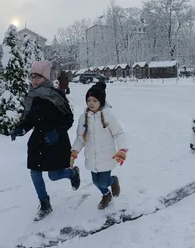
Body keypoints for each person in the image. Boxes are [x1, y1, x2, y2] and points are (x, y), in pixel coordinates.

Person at [10, 60, 80, 221]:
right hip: (38, 141)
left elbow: (68, 118)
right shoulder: (31, 97)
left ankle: (71, 173)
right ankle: (45, 203)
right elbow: (29, 119)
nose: (34, 80)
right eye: (32, 77)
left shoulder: (57, 96)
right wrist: (21, 128)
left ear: (46, 78)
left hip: (55, 141)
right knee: (35, 173)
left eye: (38, 77)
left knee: (54, 176)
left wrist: (57, 132)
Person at [71, 82, 128, 210]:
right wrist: (75, 151)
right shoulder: (83, 118)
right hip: (91, 156)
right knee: (96, 182)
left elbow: (118, 133)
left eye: (94, 100)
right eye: (89, 100)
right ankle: (106, 194)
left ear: (101, 102)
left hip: (106, 155)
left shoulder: (108, 116)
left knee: (103, 181)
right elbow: (81, 138)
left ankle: (113, 181)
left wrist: (122, 149)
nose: (91, 103)